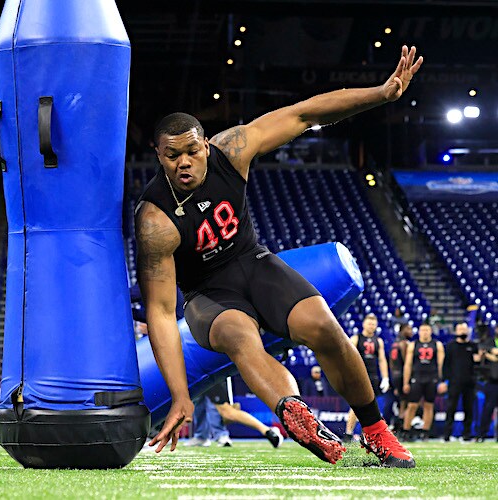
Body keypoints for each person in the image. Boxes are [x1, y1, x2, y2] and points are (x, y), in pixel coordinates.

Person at [135, 45, 421, 467]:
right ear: (158, 157)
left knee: (323, 326)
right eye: (172, 155)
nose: (184, 162)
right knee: (239, 336)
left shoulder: (231, 149)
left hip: (254, 263)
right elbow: (160, 312)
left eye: (192, 151)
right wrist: (179, 395)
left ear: (205, 147)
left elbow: (305, 114)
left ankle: (377, 432)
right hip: (207, 295)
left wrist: (381, 93)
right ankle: (294, 413)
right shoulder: (155, 219)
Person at [187, 380, 284, 448]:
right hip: (197, 367)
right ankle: (201, 437)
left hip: (213, 369)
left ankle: (268, 430)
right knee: (196, 400)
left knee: (227, 412)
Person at [344, 314, 391, 442]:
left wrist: (385, 377)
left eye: (374, 324)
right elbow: (348, 357)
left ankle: (367, 434)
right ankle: (348, 433)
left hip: (373, 376)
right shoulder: (356, 338)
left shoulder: (378, 341)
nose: (372, 326)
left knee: (370, 406)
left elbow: (382, 360)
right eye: (369, 323)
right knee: (356, 405)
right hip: (359, 375)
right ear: (364, 324)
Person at [401, 323, 445, 441]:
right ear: (419, 332)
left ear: (430, 331)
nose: (425, 332)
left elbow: (441, 365)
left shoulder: (437, 345)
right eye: (422, 330)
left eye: (427, 330)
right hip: (417, 377)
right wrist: (406, 382)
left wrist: (441, 381)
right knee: (412, 405)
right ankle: (406, 430)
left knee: (428, 405)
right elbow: (408, 364)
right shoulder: (413, 345)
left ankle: (425, 432)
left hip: (432, 378)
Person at [440, 322, 480, 442]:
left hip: (469, 383)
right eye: (460, 329)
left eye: (464, 329)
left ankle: (466, 435)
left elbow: (477, 365)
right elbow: (446, 365)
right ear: (456, 331)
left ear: (468, 331)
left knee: (469, 409)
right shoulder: (451, 346)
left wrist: (478, 360)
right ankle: (447, 435)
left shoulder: (473, 346)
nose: (462, 331)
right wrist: (444, 381)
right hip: (454, 382)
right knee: (451, 408)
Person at [389, 323, 413, 435]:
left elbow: (391, 363)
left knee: (401, 403)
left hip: (395, 376)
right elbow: (407, 362)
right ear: (403, 330)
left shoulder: (394, 343)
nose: (411, 331)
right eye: (409, 329)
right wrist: (406, 381)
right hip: (403, 376)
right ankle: (402, 429)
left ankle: (398, 427)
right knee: (406, 403)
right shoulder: (404, 344)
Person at [476, 325, 498, 442]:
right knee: (488, 409)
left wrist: (492, 355)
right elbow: (482, 351)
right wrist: (491, 354)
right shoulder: (490, 341)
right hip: (492, 381)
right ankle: (482, 434)